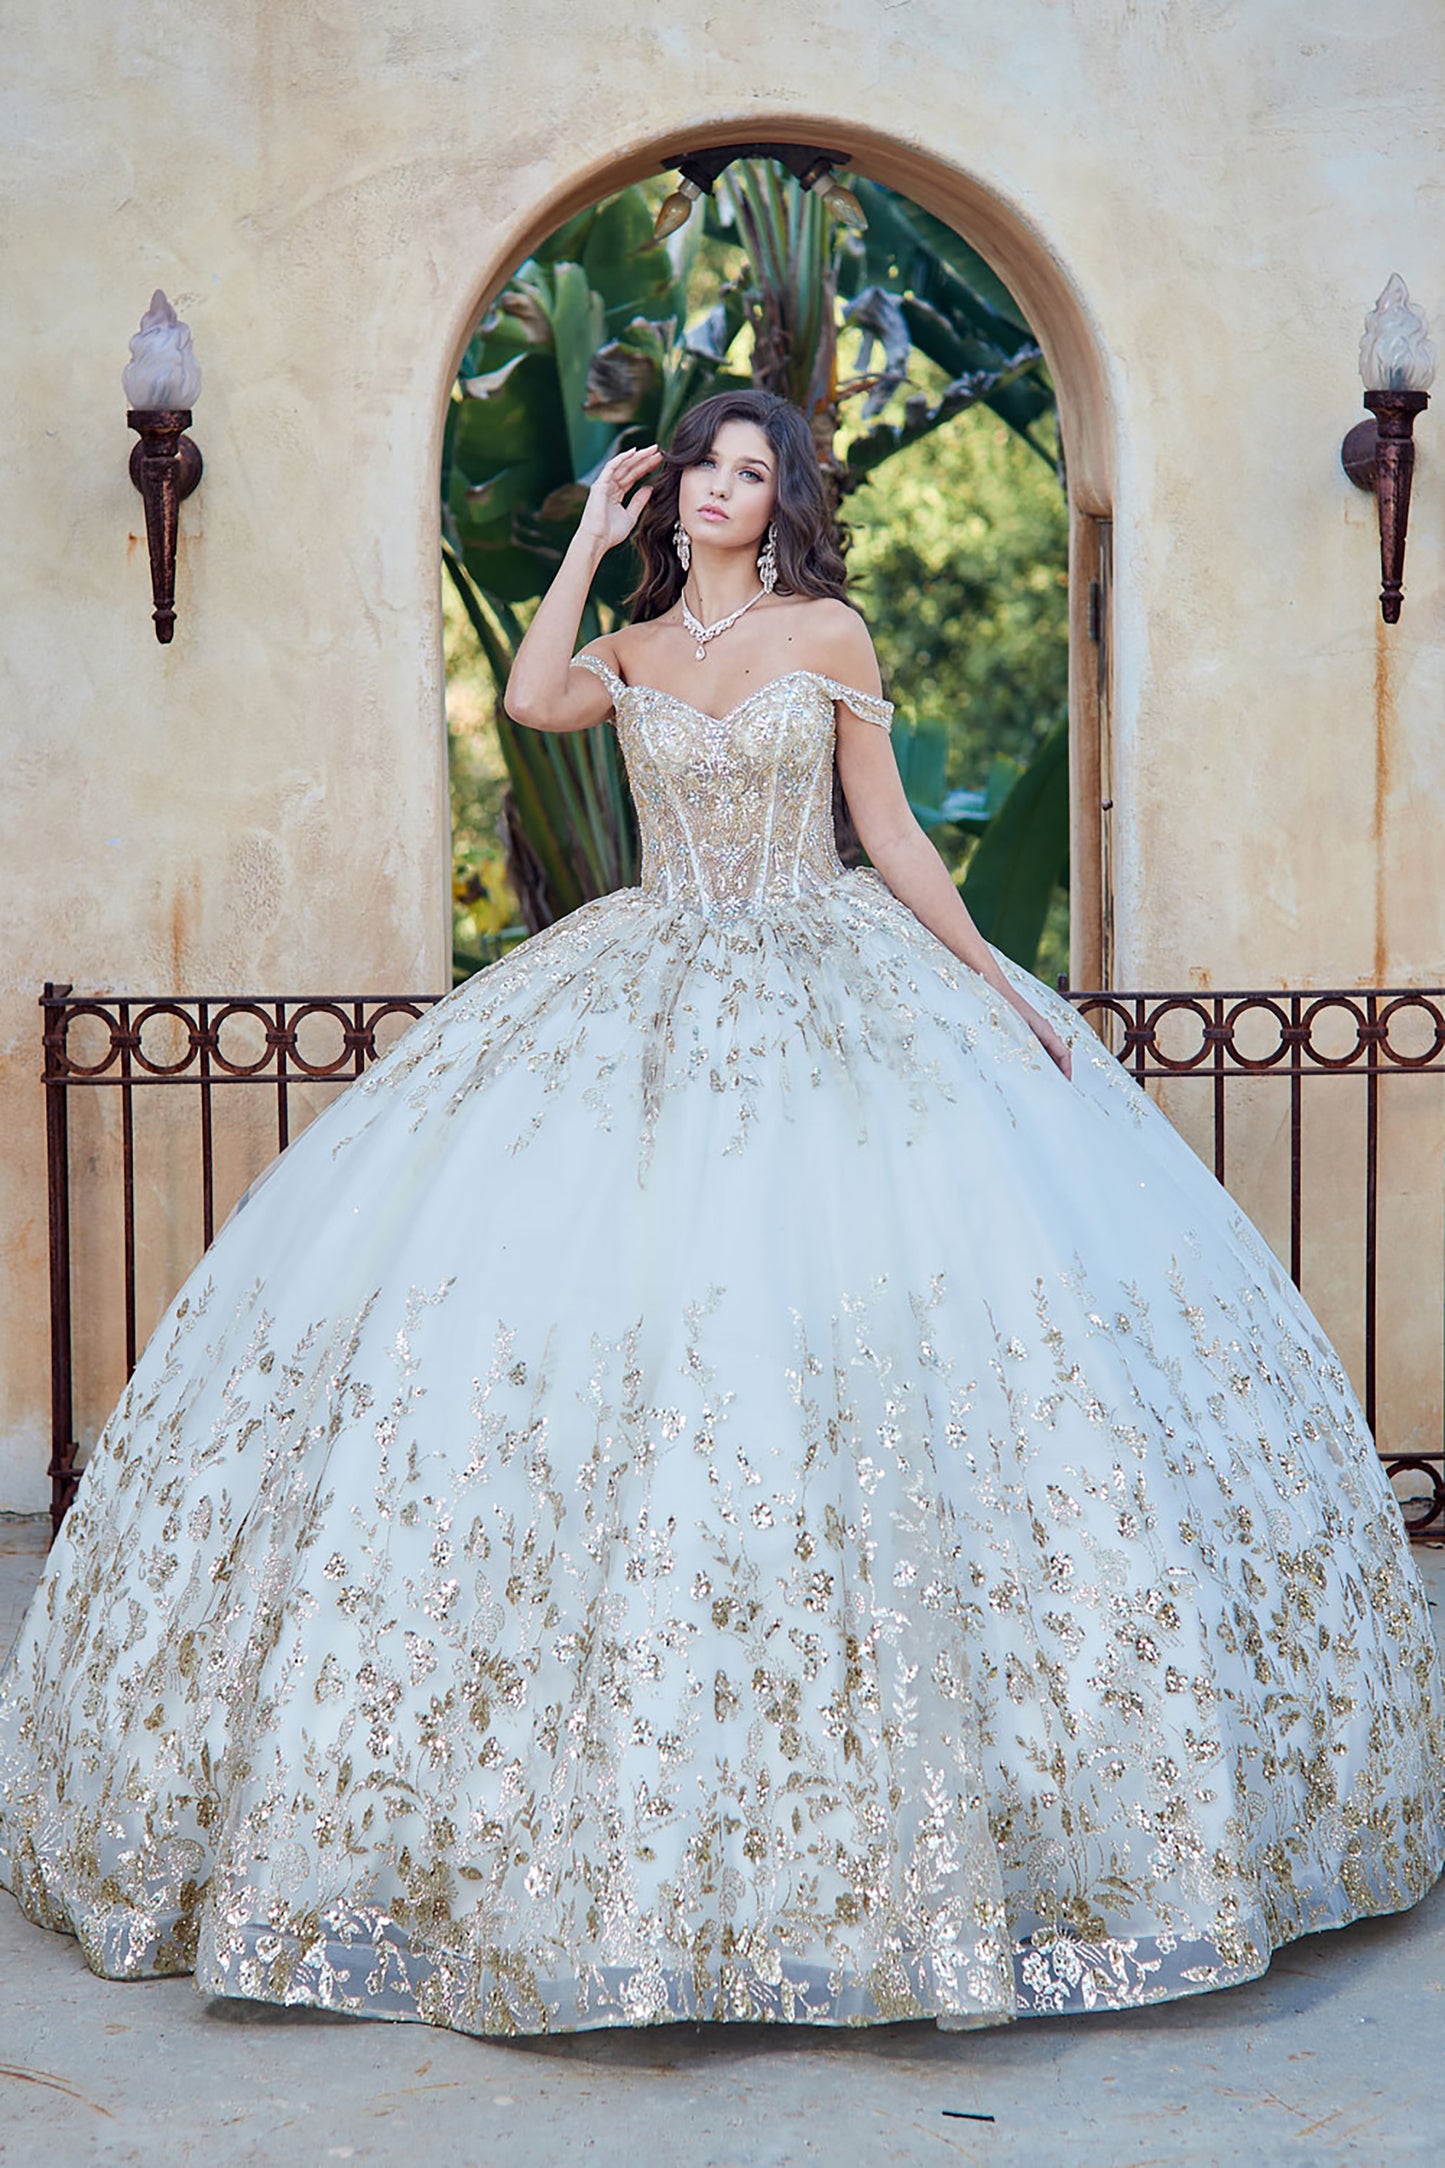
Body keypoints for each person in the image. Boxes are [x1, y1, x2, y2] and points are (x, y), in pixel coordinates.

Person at [1, 390, 1440, 2040]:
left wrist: (996, 992)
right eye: (702, 466)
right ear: (670, 483)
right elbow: (535, 698)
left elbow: (885, 831)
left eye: (751, 474)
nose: (720, 492)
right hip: (639, 980)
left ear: (784, 501)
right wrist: (592, 546)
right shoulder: (622, 645)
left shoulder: (829, 628)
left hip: (829, 981)